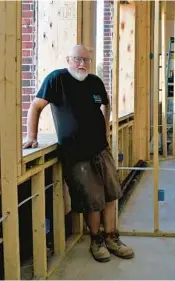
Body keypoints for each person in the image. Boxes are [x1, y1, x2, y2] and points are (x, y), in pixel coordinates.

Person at [23, 45, 134, 263]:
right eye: (77, 59)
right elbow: (35, 107)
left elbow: (105, 104)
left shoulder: (95, 82)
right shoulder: (57, 80)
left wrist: (106, 128)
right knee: (92, 199)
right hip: (76, 154)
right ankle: (97, 240)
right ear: (68, 59)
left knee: (112, 193)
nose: (81, 64)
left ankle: (112, 237)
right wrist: (31, 136)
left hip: (101, 149)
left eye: (86, 60)